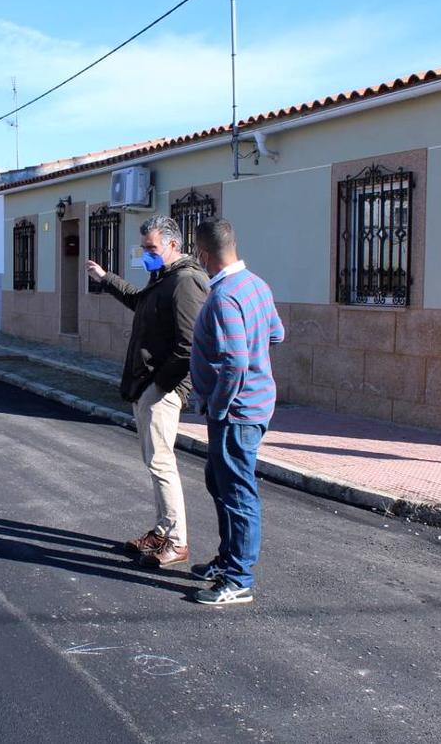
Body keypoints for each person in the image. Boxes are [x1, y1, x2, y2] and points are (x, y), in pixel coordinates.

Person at [86, 215, 208, 568]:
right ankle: (162, 528)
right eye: (144, 248)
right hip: (148, 385)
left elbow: (189, 345)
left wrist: (159, 386)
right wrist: (106, 279)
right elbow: (141, 302)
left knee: (161, 462)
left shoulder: (186, 282)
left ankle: (178, 540)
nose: (146, 254)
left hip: (161, 388)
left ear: (173, 244)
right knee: (154, 462)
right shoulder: (164, 277)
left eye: (151, 248)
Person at [188, 219, 284, 606]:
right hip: (255, 404)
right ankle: (228, 560)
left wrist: (220, 404)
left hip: (236, 412)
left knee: (237, 491)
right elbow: (277, 333)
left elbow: (236, 361)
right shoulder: (257, 285)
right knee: (220, 479)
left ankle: (239, 578)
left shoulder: (224, 297)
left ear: (203, 254)